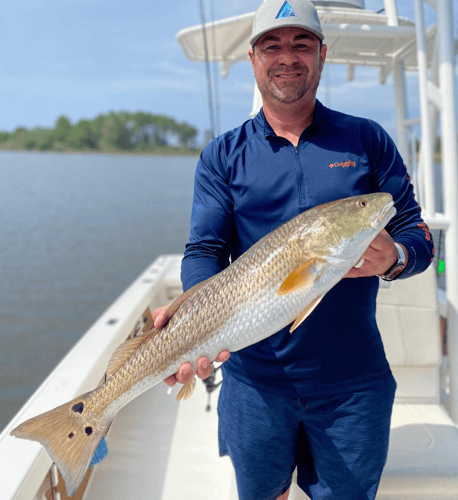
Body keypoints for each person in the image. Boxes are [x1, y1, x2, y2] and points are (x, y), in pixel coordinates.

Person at [154, 0, 435, 498]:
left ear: (322, 54)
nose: (287, 57)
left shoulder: (367, 140)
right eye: (273, 45)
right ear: (254, 58)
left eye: (301, 44)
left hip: (353, 384)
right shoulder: (222, 155)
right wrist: (198, 316)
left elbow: (417, 234)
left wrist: (394, 258)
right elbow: (204, 248)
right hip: (253, 381)